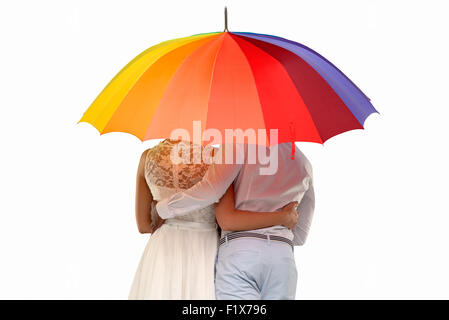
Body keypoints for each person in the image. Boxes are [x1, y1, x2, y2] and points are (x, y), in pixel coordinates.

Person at [129, 139, 299, 299]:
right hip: (205, 246)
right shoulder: (216, 158)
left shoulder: (147, 157)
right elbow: (226, 218)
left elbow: (144, 225)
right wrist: (281, 217)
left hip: (162, 248)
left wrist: (163, 210)